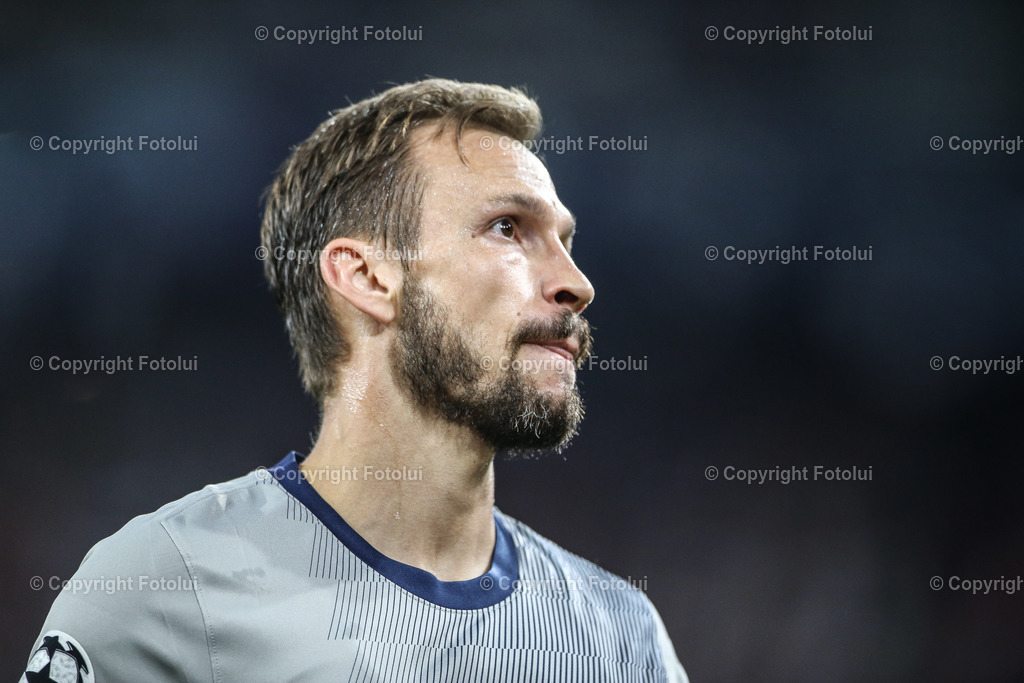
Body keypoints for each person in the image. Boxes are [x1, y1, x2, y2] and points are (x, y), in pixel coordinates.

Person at [22, 78, 687, 682]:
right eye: (508, 228)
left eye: (566, 239)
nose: (576, 282)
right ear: (367, 277)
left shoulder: (621, 637)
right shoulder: (164, 588)